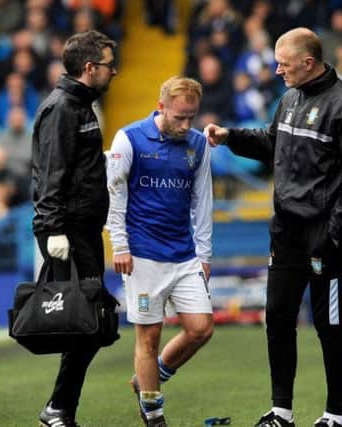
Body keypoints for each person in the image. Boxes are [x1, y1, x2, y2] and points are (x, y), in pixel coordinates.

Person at [204, 28, 342, 427]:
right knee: (278, 316)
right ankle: (281, 412)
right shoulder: (290, 98)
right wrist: (230, 137)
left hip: (323, 237)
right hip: (286, 232)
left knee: (328, 324)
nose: (277, 69)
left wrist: (334, 234)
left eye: (283, 63)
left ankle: (335, 417)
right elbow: (270, 142)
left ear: (308, 63)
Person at [106, 76, 214, 427]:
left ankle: (148, 379)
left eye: (192, 117)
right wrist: (119, 244)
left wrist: (205, 254)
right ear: (161, 106)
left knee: (201, 329)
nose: (186, 125)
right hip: (142, 254)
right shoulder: (129, 139)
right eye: (179, 117)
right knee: (149, 337)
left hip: (183, 254)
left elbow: (202, 202)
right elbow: (115, 193)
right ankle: (154, 416)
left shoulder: (198, 145)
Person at [31, 30, 117, 427]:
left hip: (84, 228)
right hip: (69, 231)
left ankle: (59, 409)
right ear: (89, 68)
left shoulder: (80, 106)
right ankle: (57, 409)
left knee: (92, 321)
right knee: (88, 319)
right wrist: (52, 232)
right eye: (108, 65)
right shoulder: (63, 108)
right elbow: (51, 173)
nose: (114, 72)